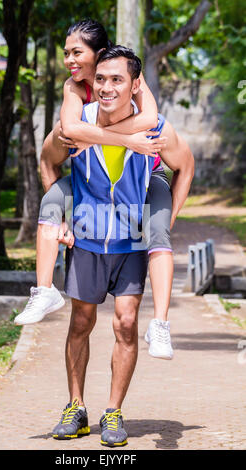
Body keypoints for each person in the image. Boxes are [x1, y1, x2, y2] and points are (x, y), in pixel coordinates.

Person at [50, 46, 194, 447]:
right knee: (81, 322)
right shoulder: (76, 122)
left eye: (117, 80)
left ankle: (112, 413)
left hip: (131, 242)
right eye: (101, 78)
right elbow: (48, 159)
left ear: (135, 85)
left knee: (127, 323)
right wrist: (60, 213)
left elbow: (186, 165)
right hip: (87, 237)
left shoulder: (155, 129)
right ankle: (75, 407)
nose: (107, 87)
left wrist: (168, 218)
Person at [14, 19, 174, 360]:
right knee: (52, 205)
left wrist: (97, 135)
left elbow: (150, 119)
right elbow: (69, 130)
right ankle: (44, 290)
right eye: (66, 53)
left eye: (77, 53)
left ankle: (161, 323)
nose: (70, 61)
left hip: (136, 174)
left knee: (156, 236)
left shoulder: (127, 74)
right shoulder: (72, 88)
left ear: (98, 53)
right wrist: (124, 138)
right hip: (88, 176)